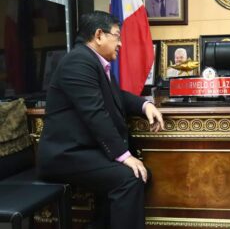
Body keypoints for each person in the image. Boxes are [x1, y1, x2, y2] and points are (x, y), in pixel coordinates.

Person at [37, 11, 164, 229]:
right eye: (117, 35)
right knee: (130, 177)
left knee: (142, 174)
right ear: (98, 35)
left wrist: (145, 105)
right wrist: (124, 156)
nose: (121, 44)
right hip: (66, 155)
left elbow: (117, 96)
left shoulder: (94, 62)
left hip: (84, 150)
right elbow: (94, 113)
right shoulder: (78, 61)